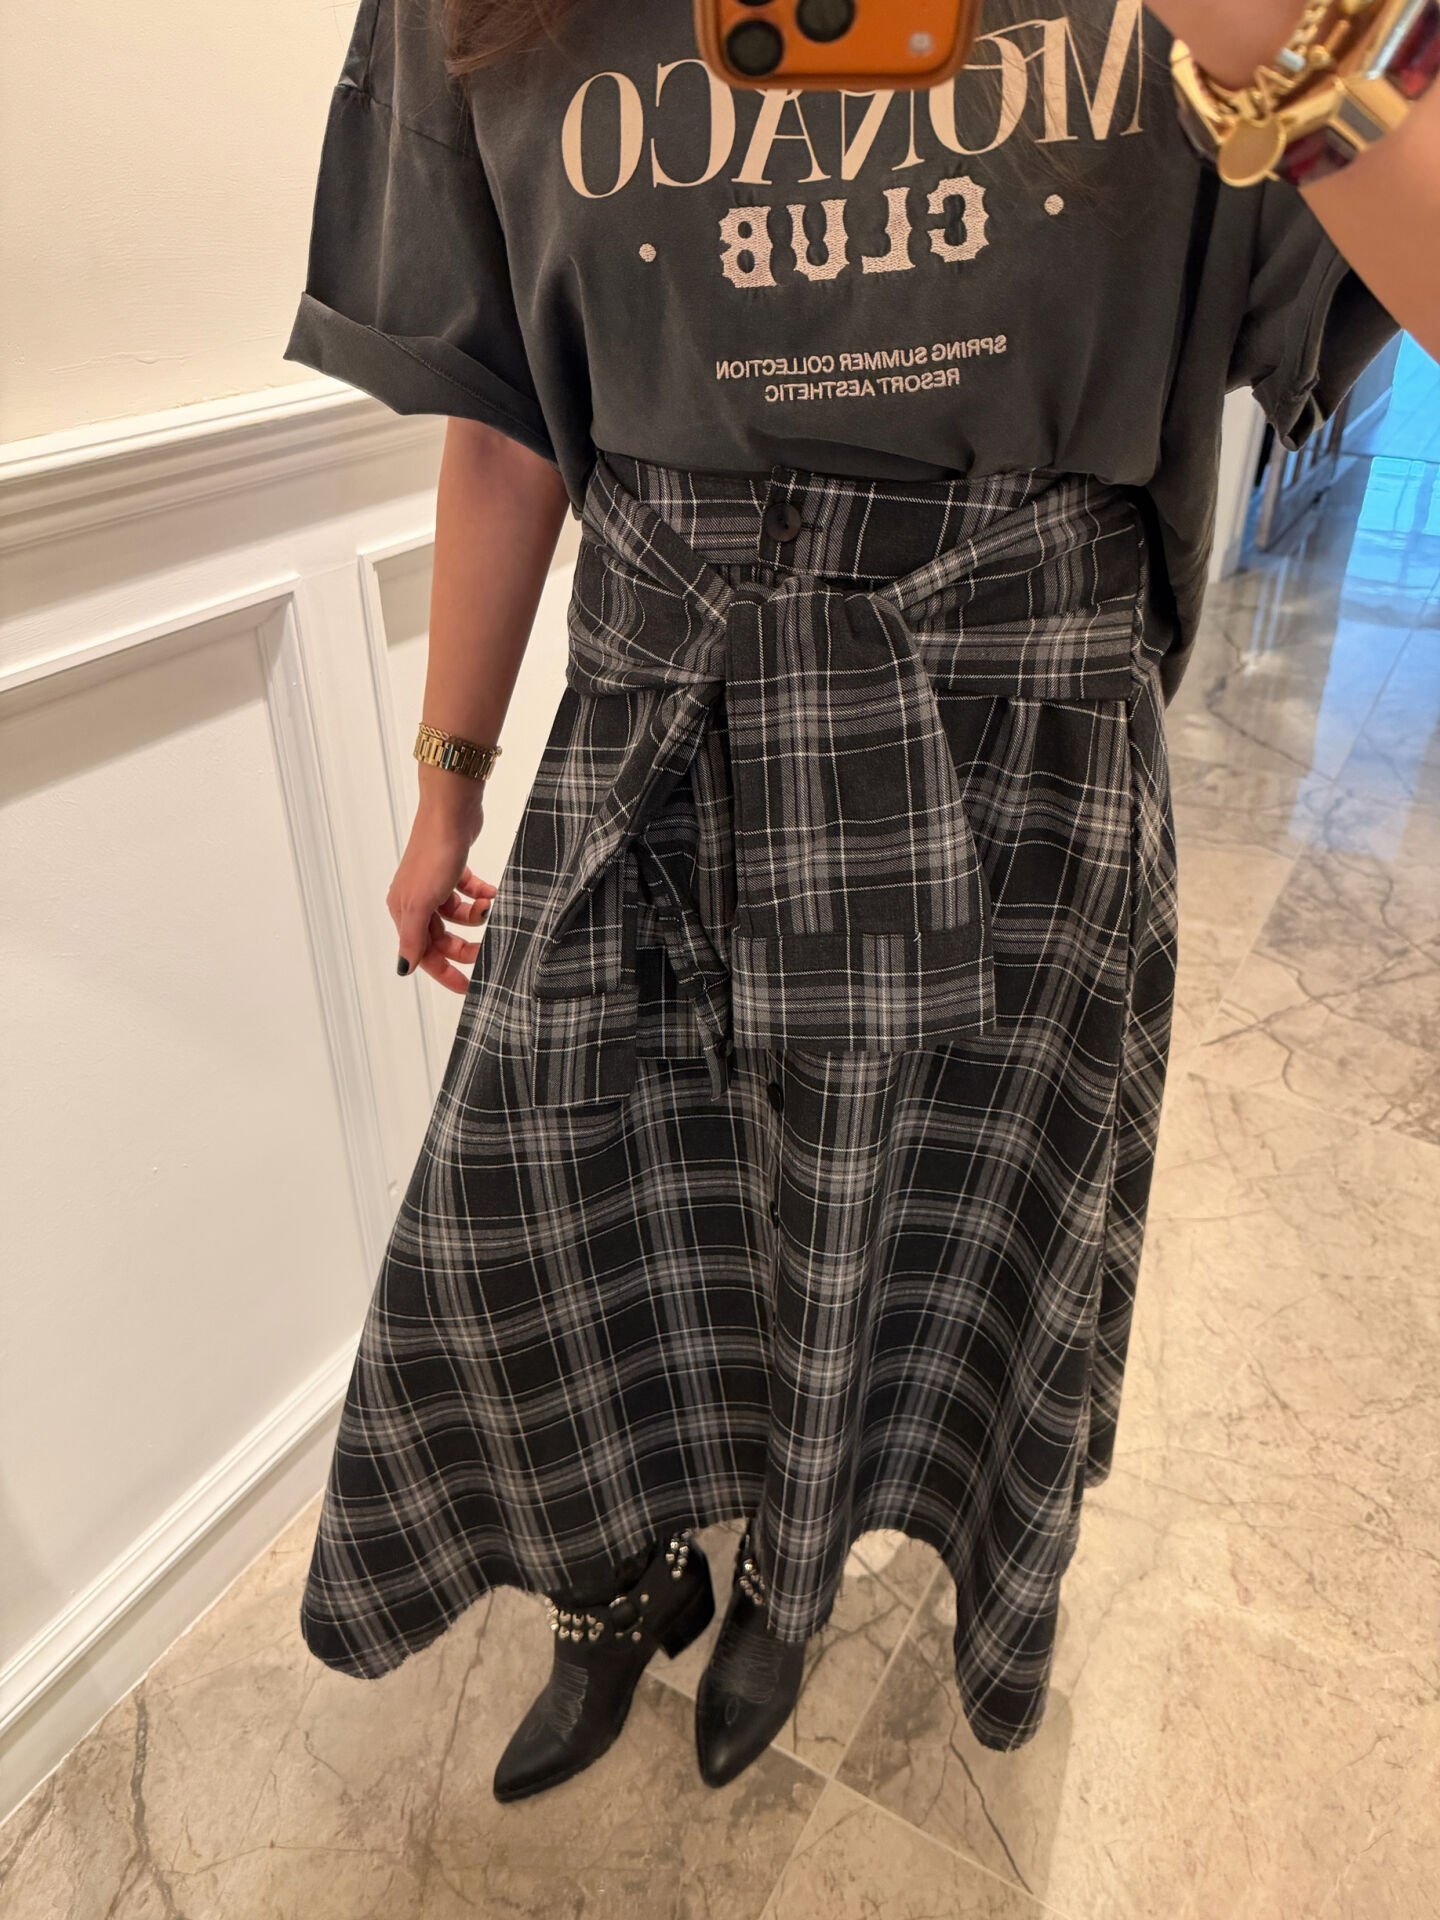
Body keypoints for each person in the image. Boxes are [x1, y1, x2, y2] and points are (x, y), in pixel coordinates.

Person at [280, 0, 1430, 1801]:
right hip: (661, 720)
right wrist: (448, 779)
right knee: (561, 1223)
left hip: (1022, 754)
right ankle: (614, 1579)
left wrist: (1288, 47)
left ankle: (786, 1588)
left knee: (888, 1245)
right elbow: (502, 415)